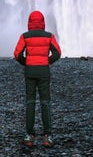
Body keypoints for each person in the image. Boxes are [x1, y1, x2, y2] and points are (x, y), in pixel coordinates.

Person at [13, 10, 61, 148]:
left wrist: (26, 62)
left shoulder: (25, 36)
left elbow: (17, 54)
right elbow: (57, 53)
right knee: (45, 102)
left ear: (29, 22)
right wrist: (47, 61)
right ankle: (48, 136)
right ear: (43, 22)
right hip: (44, 72)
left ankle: (29, 136)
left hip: (30, 71)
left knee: (30, 101)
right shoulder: (49, 36)